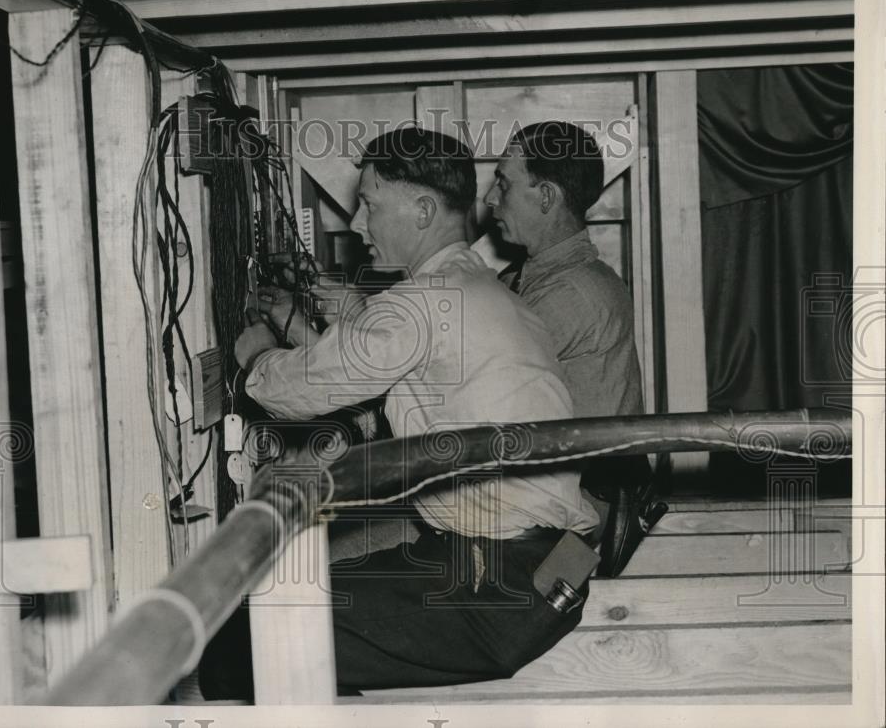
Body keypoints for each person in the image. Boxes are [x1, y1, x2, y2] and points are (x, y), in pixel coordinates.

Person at [203, 127, 599, 696]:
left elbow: (300, 390)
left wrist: (257, 357)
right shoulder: (479, 291)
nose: (357, 225)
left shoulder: (423, 302)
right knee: (294, 605)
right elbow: (392, 362)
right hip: (529, 567)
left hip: (491, 585)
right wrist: (318, 322)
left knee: (246, 633)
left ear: (421, 209)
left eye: (368, 204)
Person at [482, 120, 666, 576]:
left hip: (578, 525)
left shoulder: (572, 293)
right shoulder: (526, 280)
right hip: (550, 504)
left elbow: (466, 375)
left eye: (503, 182)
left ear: (545, 196)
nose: (489, 199)